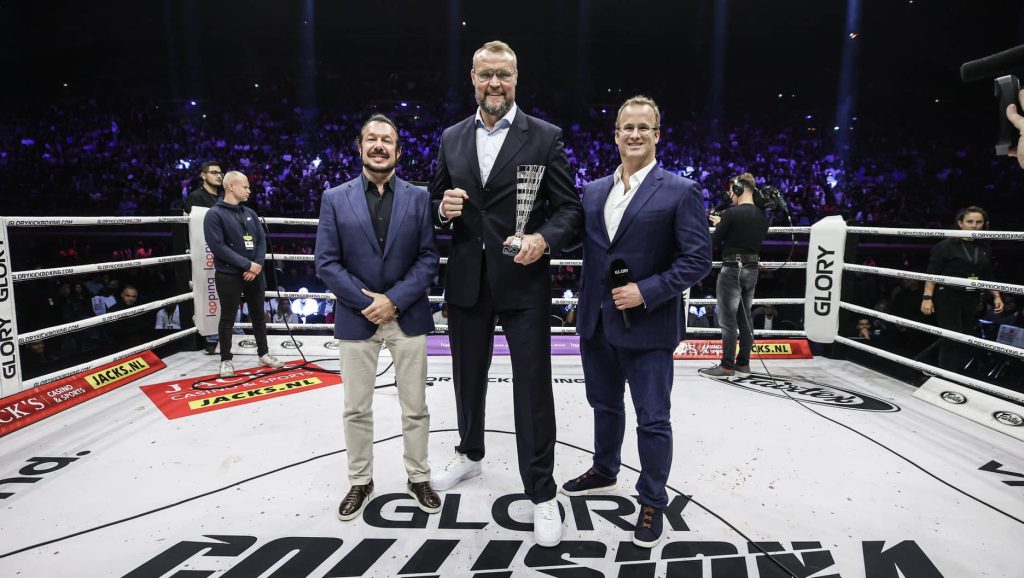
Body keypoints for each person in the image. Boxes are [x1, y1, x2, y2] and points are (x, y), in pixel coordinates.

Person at [429, 40, 583, 547]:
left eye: (504, 75)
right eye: (486, 75)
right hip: (467, 280)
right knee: (466, 379)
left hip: (524, 280)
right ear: (472, 78)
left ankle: (541, 491)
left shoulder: (545, 136)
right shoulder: (451, 137)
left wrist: (543, 239)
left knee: (533, 389)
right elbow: (433, 202)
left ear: (516, 79)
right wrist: (442, 209)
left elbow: (570, 211)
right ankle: (470, 454)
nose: (494, 84)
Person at [564, 95, 711, 549]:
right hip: (597, 323)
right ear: (615, 134)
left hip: (649, 327)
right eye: (627, 127)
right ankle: (605, 469)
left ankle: (651, 498)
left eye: (643, 127)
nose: (634, 134)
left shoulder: (681, 191)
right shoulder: (593, 191)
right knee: (604, 406)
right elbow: (582, 245)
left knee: (653, 419)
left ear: (657, 135)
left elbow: (698, 259)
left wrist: (646, 291)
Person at [315, 114, 441, 522]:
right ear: (360, 147)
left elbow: (428, 258)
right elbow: (326, 262)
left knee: (415, 406)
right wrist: (367, 302)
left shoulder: (419, 197)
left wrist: (395, 300)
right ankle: (360, 480)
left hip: (407, 315)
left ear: (398, 151)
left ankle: (418, 476)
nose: (379, 145)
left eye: (387, 140)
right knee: (356, 408)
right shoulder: (335, 197)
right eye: (372, 138)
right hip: (357, 317)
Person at [203, 171, 283, 377]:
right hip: (229, 274)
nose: (249, 191)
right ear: (231, 187)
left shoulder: (250, 213)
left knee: (258, 315)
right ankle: (226, 359)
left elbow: (261, 241)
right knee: (228, 317)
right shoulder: (214, 214)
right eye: (245, 187)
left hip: (254, 273)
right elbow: (218, 247)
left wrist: (256, 265)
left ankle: (263, 353)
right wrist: (247, 265)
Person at [699, 173, 770, 378]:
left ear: (738, 190)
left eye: (731, 191)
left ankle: (727, 366)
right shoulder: (762, 216)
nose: (730, 195)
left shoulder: (731, 213)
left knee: (728, 320)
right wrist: (725, 223)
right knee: (745, 318)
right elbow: (746, 234)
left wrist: (721, 225)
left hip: (732, 269)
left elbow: (715, 241)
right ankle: (743, 364)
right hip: (752, 269)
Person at [919, 206, 1003, 372]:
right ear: (960, 223)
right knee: (953, 335)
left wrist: (996, 295)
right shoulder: (946, 245)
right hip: (947, 294)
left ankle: (921, 362)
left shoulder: (983, 247)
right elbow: (932, 272)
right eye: (970, 222)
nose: (974, 226)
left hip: (971, 296)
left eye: (979, 222)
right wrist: (927, 298)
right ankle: (946, 375)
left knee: (960, 336)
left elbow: (988, 273)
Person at [186, 161, 225, 354]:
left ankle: (227, 334)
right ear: (203, 175)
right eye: (214, 172)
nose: (219, 176)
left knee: (227, 294)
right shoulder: (196, 197)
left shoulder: (223, 196)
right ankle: (212, 338)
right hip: (205, 250)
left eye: (220, 173)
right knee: (209, 290)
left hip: (224, 250)